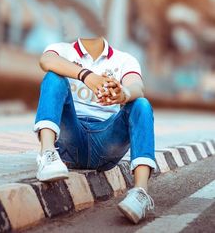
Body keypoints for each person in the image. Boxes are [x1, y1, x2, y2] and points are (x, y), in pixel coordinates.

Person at [33, 35, 158, 224]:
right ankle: (47, 154)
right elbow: (46, 60)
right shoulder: (62, 49)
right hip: (70, 138)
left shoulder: (124, 60)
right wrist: (87, 76)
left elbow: (137, 87)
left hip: (106, 142)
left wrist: (124, 94)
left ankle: (140, 194)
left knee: (141, 104)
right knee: (53, 77)